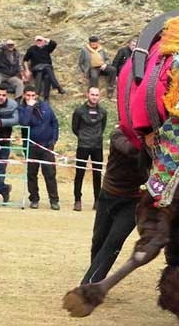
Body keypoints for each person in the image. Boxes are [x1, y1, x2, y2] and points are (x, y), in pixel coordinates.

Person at [81, 129, 149, 284]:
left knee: (113, 242)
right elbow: (130, 149)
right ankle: (95, 276)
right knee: (98, 240)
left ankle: (88, 286)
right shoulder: (118, 134)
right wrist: (149, 143)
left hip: (134, 200)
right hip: (109, 195)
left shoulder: (156, 139)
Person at [18, 86, 59, 210]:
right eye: (28, 95)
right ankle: (34, 199)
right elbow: (24, 122)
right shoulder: (22, 109)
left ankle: (54, 200)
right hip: (31, 146)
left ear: (37, 95)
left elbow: (54, 122)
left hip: (47, 145)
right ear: (24, 95)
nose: (31, 98)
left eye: (33, 95)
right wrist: (29, 107)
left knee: (50, 174)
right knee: (31, 173)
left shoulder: (45, 106)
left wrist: (54, 139)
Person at [72, 87, 107, 212]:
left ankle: (97, 201)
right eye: (92, 94)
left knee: (97, 175)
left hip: (97, 146)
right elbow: (74, 128)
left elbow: (103, 127)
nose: (94, 97)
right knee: (79, 174)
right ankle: (77, 200)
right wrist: (83, 136)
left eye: (96, 95)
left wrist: (96, 137)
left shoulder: (103, 112)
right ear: (87, 95)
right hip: (83, 146)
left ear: (99, 96)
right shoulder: (79, 111)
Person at [23, 36, 65, 101]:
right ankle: (58, 87)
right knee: (47, 67)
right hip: (36, 68)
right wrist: (27, 70)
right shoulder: (31, 49)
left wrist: (44, 39)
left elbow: (54, 43)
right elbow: (25, 60)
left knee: (47, 76)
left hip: (45, 70)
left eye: (40, 40)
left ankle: (43, 96)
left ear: (44, 42)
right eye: (37, 40)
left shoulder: (47, 48)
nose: (38, 42)